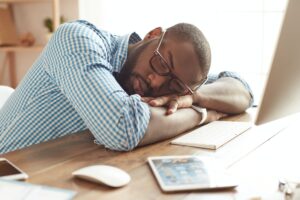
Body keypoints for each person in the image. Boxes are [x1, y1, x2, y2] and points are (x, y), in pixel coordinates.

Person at [0, 20, 253, 154]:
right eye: (161, 62)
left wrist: (194, 96)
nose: (157, 82)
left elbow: (243, 91)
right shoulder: (77, 39)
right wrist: (202, 114)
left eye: (174, 86)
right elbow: (121, 128)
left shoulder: (181, 85)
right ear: (153, 34)